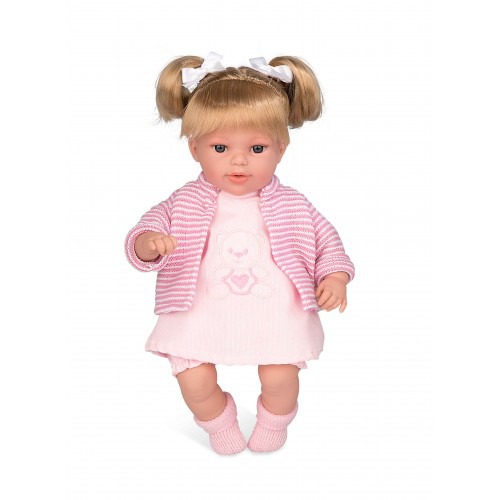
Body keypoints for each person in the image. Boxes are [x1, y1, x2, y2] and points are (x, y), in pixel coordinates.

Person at [124, 53, 355, 455]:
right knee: (194, 381)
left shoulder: (294, 205)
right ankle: (218, 422)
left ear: (281, 148)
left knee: (281, 378)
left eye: (257, 147)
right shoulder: (183, 202)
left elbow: (328, 243)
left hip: (276, 313)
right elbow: (144, 232)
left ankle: (275, 421)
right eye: (220, 146)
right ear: (195, 148)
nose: (239, 160)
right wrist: (148, 244)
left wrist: (334, 276)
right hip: (198, 311)